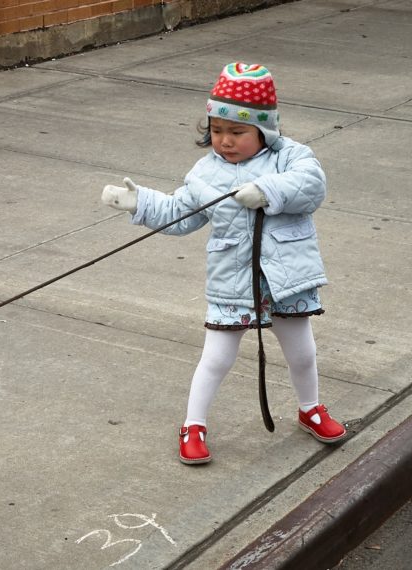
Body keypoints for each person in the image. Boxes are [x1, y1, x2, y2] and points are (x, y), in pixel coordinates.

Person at [100, 62, 347, 465]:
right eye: (217, 131)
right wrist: (140, 203)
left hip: (287, 278)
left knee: (302, 352)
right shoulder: (205, 173)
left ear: (264, 131)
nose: (225, 141)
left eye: (237, 132)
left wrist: (266, 189)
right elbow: (182, 213)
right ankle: (193, 425)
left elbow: (312, 186)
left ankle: (310, 408)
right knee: (217, 357)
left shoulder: (290, 157)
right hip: (233, 281)